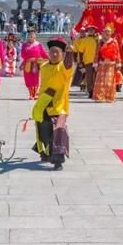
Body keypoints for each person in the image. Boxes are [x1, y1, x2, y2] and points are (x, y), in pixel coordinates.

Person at [30, 37, 74, 170]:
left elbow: (68, 64)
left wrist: (70, 53)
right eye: (52, 52)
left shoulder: (64, 67)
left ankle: (58, 160)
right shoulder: (44, 67)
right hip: (44, 102)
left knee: (58, 129)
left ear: (62, 54)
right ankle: (45, 152)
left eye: (57, 52)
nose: (54, 54)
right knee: (43, 127)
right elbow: (42, 86)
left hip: (59, 105)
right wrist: (40, 101)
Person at [93, 28, 121, 103]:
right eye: (105, 32)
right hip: (102, 64)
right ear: (103, 33)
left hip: (111, 64)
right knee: (100, 81)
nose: (107, 33)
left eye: (109, 32)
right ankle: (100, 97)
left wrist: (118, 63)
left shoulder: (114, 41)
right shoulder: (100, 42)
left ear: (111, 33)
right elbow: (97, 53)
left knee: (110, 82)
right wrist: (95, 63)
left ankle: (109, 97)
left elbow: (117, 53)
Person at [20, 28, 48, 99]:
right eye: (30, 36)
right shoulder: (24, 45)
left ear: (35, 36)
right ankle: (30, 94)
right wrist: (29, 59)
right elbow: (22, 54)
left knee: (35, 79)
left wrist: (49, 59)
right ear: (27, 36)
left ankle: (35, 94)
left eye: (32, 36)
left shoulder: (38, 45)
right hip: (27, 64)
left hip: (36, 64)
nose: (31, 37)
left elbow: (43, 54)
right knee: (28, 78)